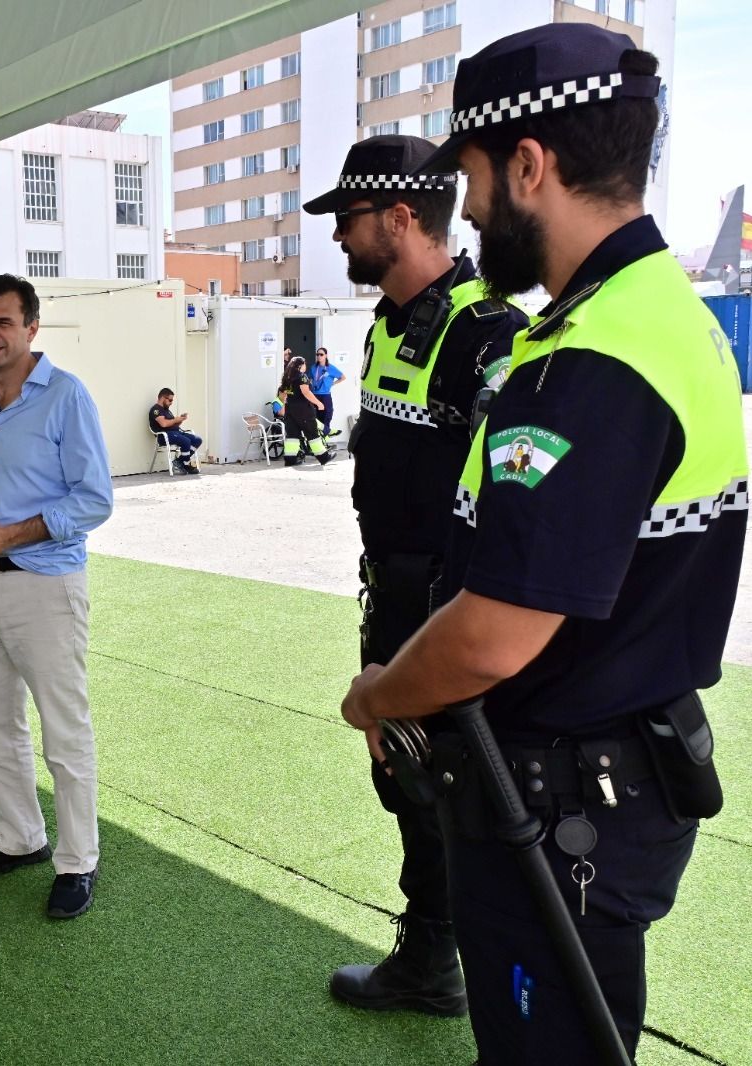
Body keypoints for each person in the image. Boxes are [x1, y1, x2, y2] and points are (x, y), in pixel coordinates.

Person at [339, 25, 747, 1063]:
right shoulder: (654, 316)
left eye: (472, 177)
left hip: (561, 805)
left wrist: (380, 694)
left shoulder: (589, 359)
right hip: (606, 783)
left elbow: (492, 635)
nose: (468, 208)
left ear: (527, 164)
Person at [304, 133, 527, 1016]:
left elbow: (512, 514)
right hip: (394, 602)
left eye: (349, 217)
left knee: (469, 800)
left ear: (400, 217)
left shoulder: (490, 333)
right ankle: (432, 958)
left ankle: (490, 974)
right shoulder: (388, 325)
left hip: (454, 616)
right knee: (405, 782)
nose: (337, 235)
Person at [0, 274, 113, 920]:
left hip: (46, 586)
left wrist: (7, 535)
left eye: (4, 322)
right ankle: (19, 839)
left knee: (63, 732)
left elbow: (93, 500)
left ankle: (78, 861)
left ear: (32, 327)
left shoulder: (67, 396)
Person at [278, 354, 330, 467]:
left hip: (290, 410)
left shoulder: (286, 377)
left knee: (292, 435)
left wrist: (284, 405)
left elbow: (281, 394)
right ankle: (324, 457)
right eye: (304, 364)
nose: (305, 366)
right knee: (312, 433)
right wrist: (318, 403)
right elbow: (306, 392)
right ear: (300, 365)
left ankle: (290, 460)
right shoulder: (302, 376)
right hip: (303, 410)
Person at [148, 387, 201, 474]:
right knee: (186, 441)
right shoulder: (156, 410)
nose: (171, 402)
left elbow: (173, 424)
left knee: (197, 440)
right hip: (164, 436)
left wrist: (180, 419)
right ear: (163, 398)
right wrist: (175, 420)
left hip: (176, 433)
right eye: (170, 400)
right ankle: (186, 464)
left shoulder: (167, 410)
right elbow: (164, 424)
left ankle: (179, 461)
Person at [307, 348, 345, 442]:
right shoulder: (313, 368)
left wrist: (333, 384)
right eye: (317, 354)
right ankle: (319, 438)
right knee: (316, 416)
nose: (319, 356)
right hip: (315, 395)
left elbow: (343, 377)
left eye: (321, 354)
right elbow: (308, 379)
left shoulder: (331, 368)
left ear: (326, 355)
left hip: (326, 395)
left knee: (327, 414)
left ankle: (326, 436)